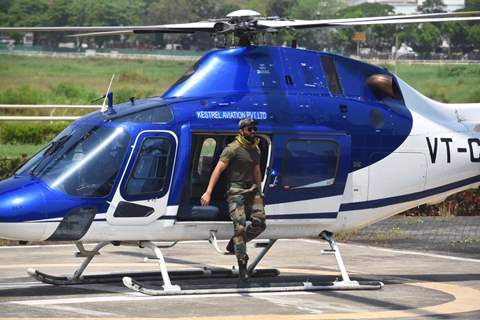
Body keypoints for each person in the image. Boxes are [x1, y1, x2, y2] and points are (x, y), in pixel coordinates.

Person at [200, 118, 266, 285]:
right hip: (236, 191)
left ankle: (234, 243)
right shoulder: (233, 149)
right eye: (250, 129)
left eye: (254, 129)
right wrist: (208, 192)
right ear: (242, 130)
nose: (253, 131)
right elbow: (218, 170)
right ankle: (242, 266)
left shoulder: (255, 148)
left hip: (252, 191)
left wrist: (260, 190)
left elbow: (257, 170)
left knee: (260, 224)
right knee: (240, 227)